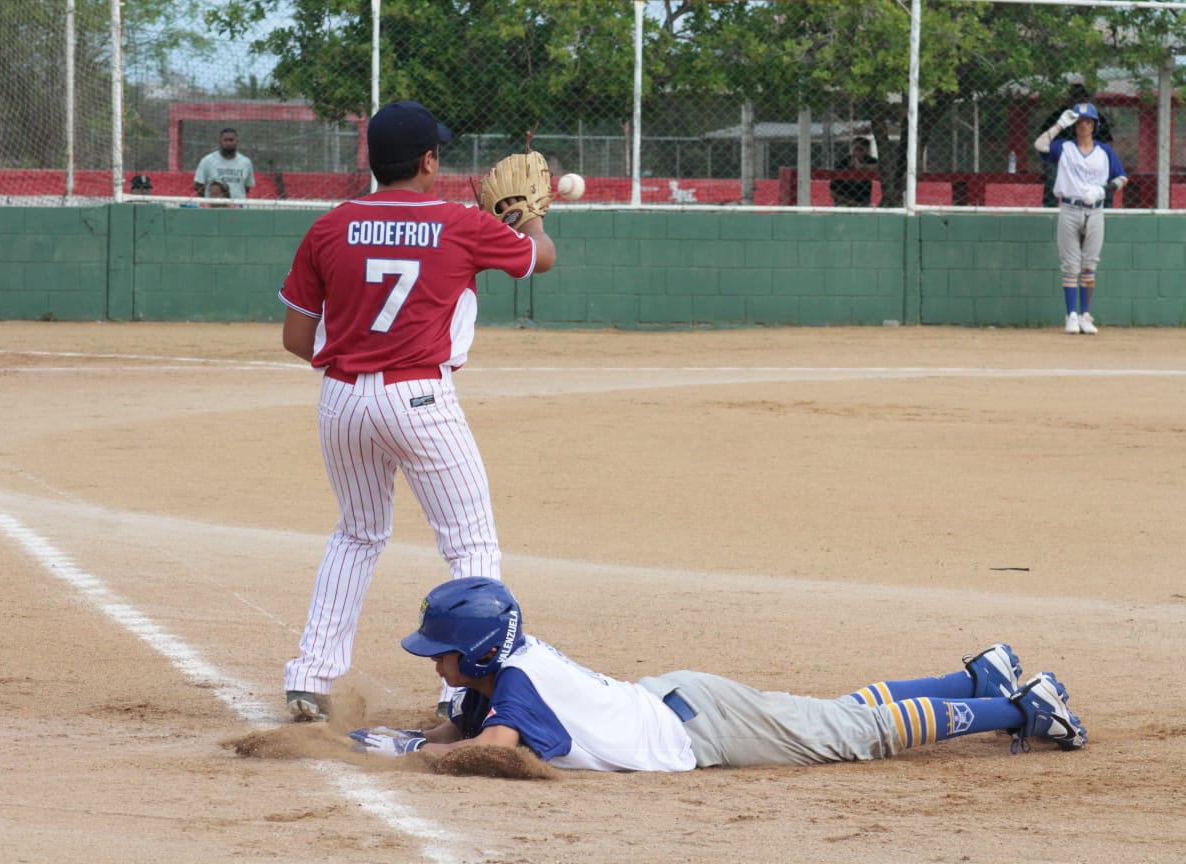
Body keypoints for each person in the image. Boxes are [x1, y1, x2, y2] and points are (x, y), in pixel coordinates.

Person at [277, 101, 556, 722]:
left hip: (343, 400)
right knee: (472, 547)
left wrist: (356, 366)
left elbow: (298, 340)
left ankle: (311, 679)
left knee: (356, 534)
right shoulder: (458, 222)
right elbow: (541, 260)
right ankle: (463, 691)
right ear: (429, 160)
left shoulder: (329, 226)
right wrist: (528, 220)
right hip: (422, 398)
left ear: (371, 160)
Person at [349, 578, 1087, 768]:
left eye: (439, 650)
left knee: (854, 733)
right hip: (685, 704)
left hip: (698, 725)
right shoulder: (502, 672)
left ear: (476, 650)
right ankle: (978, 676)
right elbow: (460, 728)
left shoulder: (513, 687)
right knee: (836, 714)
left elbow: (490, 752)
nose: (433, 660)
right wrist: (398, 738)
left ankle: (1025, 709)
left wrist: (414, 755)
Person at [1035, 102, 1126, 335]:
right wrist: (1058, 125)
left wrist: (1103, 190)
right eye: (1080, 122)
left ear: (1094, 125)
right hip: (1069, 207)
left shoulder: (1104, 150)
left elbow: (1122, 178)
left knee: (1089, 265)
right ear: (1074, 125)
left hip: (1095, 209)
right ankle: (1071, 315)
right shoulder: (1064, 147)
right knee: (1070, 265)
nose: (1083, 125)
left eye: (1088, 122)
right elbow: (1040, 144)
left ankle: (1086, 315)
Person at [1037, 85, 1114, 208]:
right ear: (1069, 99)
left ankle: (1107, 209)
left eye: (1082, 97)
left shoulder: (1096, 118)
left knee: (1109, 175)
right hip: (1063, 160)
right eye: (1075, 97)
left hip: (1091, 158)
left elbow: (1108, 144)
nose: (1078, 100)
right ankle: (1049, 208)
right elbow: (1044, 140)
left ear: (1086, 99)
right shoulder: (1059, 116)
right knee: (1052, 173)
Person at [193, 128, 254, 199]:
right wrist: (211, 199)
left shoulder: (245, 162)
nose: (228, 143)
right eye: (225, 140)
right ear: (219, 142)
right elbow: (198, 185)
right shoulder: (207, 161)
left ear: (237, 141)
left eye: (231, 140)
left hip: (237, 207)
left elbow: (246, 187)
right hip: (215, 208)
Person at [829, 136, 878, 208]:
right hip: (843, 202)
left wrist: (862, 167)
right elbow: (832, 192)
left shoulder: (870, 161)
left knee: (871, 209)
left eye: (861, 150)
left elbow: (883, 167)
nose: (857, 152)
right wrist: (851, 202)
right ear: (851, 149)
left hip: (864, 203)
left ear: (867, 151)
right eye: (855, 149)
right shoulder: (842, 163)